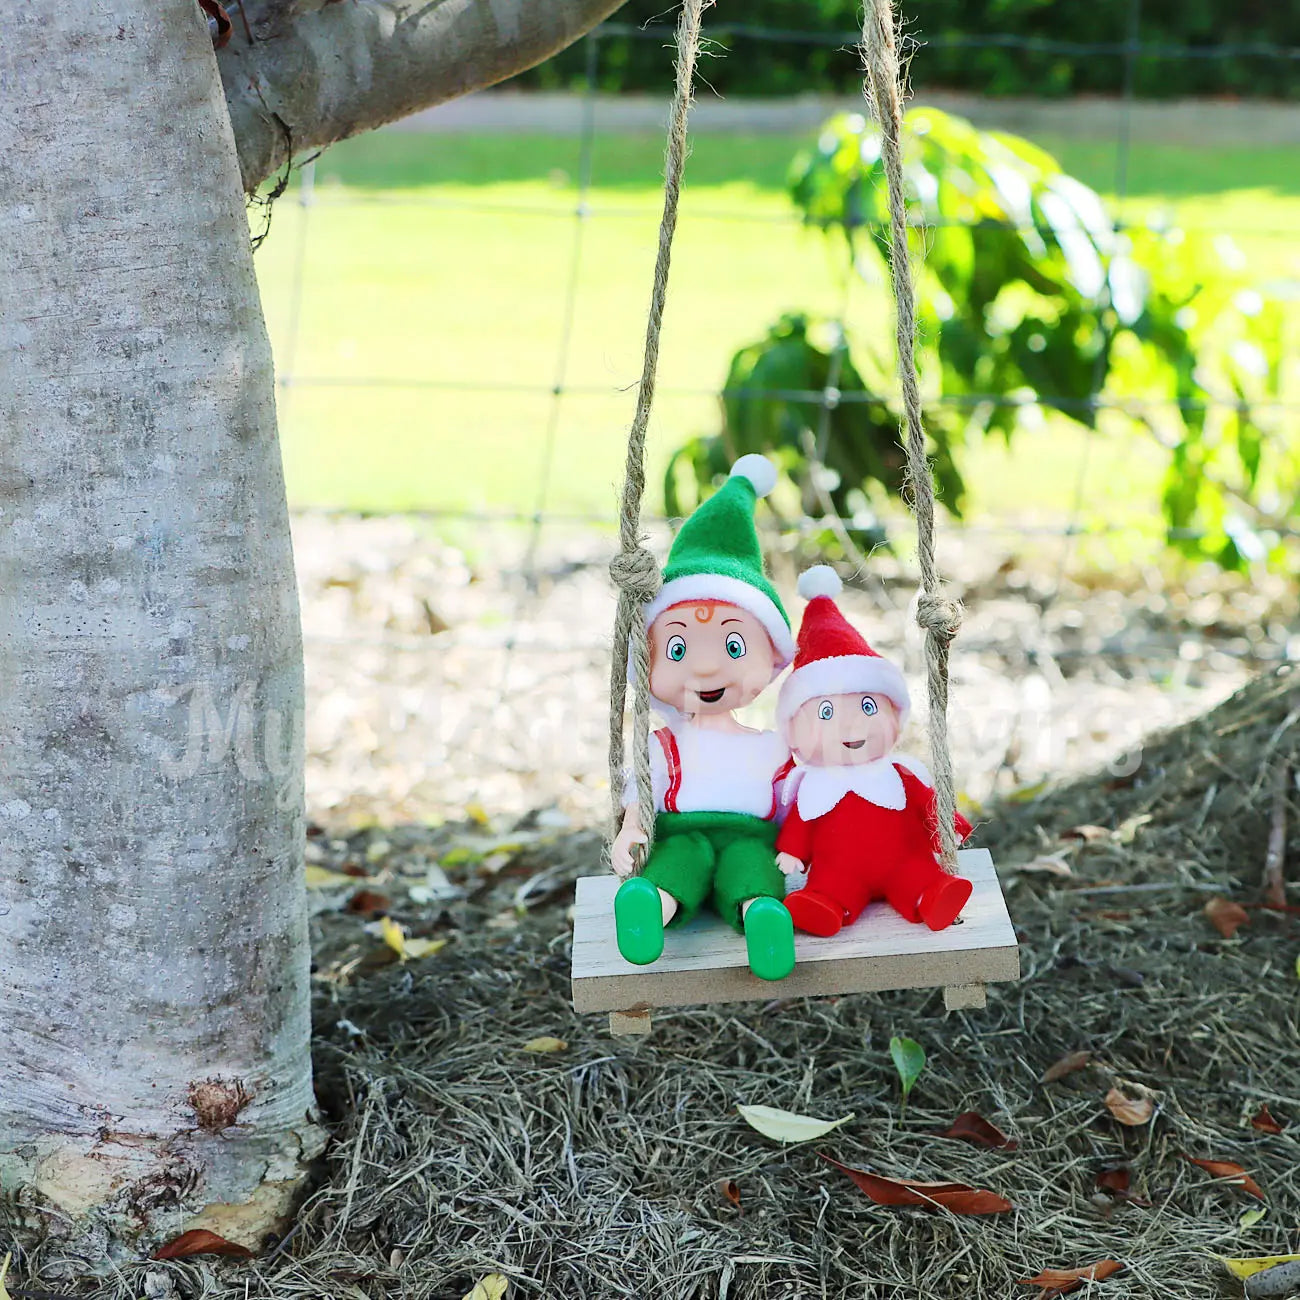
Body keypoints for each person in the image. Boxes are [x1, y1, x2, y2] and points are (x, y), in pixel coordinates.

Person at [611, 456, 797, 981]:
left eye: (734, 644)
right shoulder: (664, 744)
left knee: (751, 869)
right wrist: (631, 829)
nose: (708, 664)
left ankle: (761, 916)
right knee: (677, 865)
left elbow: (790, 802)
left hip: (749, 835)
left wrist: (798, 850)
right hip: (680, 830)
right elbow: (641, 793)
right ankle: (651, 908)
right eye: (676, 648)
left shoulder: (772, 746)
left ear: (771, 661)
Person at [774, 566, 974, 937]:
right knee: (831, 885)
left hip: (905, 860)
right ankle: (824, 906)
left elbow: (925, 801)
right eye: (827, 713)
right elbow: (801, 824)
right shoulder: (814, 786)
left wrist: (950, 828)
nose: (852, 726)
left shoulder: (897, 774)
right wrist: (793, 853)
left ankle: (933, 896)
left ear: (894, 715)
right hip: (839, 869)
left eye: (868, 707)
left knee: (918, 876)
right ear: (795, 733)